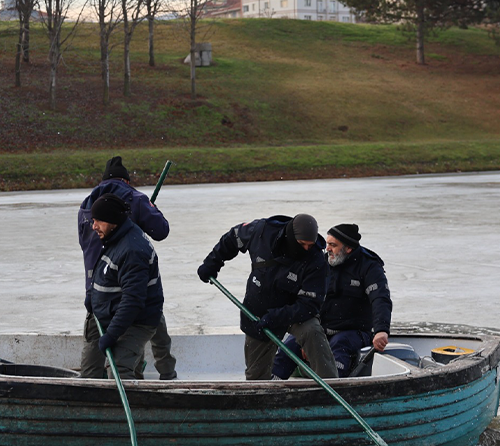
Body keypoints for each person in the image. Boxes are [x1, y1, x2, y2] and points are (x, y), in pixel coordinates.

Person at [196, 213, 338, 380]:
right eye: (301, 244)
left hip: (295, 313)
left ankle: (331, 384)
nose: (306, 249)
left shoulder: (316, 260)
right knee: (255, 377)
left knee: (312, 330)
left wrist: (276, 317)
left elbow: (310, 305)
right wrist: (212, 263)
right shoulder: (261, 231)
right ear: (291, 236)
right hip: (259, 311)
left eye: (310, 245)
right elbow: (233, 238)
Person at [78, 156, 177, 379]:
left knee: (140, 316)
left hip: (105, 288)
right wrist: (151, 210)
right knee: (152, 318)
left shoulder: (86, 206)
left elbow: (87, 249)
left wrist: (91, 291)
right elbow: (161, 230)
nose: (94, 227)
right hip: (119, 290)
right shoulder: (135, 199)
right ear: (127, 181)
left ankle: (109, 380)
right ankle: (167, 374)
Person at [271, 223, 393, 379]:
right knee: (289, 346)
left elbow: (380, 299)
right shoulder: (320, 263)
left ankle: (333, 390)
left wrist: (381, 330)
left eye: (333, 245)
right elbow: (305, 299)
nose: (327, 248)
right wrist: (306, 334)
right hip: (320, 329)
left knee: (339, 344)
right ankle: (270, 387)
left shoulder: (369, 266)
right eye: (327, 244)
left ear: (348, 248)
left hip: (353, 332)